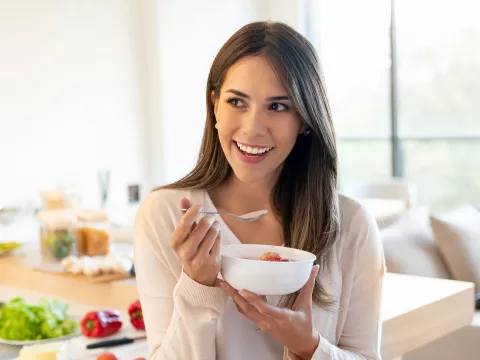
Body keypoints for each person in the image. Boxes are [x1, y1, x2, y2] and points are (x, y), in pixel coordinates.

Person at [134, 21, 385, 360]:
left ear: (306, 120)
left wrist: (308, 347)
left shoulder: (351, 224)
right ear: (215, 106)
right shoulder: (165, 215)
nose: (252, 129)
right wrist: (196, 287)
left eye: (278, 106)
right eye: (237, 102)